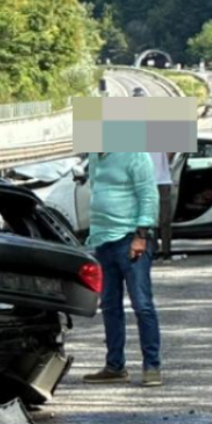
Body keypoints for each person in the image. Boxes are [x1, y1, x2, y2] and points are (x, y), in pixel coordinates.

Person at [81, 152, 163, 387]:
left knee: (142, 304)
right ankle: (115, 366)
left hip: (130, 239)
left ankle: (152, 366)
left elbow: (148, 196)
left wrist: (141, 235)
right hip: (103, 240)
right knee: (109, 305)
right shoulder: (95, 157)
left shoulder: (134, 153)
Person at [149, 152, 174, 259]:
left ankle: (165, 250)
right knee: (152, 219)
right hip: (149, 180)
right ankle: (154, 250)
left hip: (162, 180)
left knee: (164, 219)